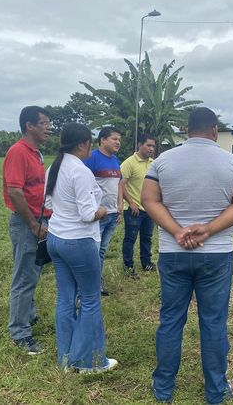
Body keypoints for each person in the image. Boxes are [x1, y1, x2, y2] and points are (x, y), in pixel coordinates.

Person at [142, 107, 233, 404]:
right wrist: (208, 230)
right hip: (216, 254)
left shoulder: (162, 161)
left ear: (186, 129)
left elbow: (149, 200)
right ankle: (216, 391)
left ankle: (163, 388)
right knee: (214, 322)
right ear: (214, 130)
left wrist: (177, 231)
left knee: (170, 320)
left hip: (173, 253)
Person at [45, 123, 118, 373]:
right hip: (78, 241)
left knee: (65, 298)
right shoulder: (80, 171)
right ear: (82, 144)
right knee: (90, 299)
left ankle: (65, 357)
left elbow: (48, 203)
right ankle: (90, 362)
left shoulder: (54, 167)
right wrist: (103, 210)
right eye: (90, 142)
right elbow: (88, 215)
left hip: (56, 238)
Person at [2, 105, 51, 354]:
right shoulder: (18, 152)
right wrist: (33, 223)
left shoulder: (36, 153)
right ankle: (20, 332)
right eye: (43, 123)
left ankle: (28, 314)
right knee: (23, 278)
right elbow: (14, 191)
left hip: (39, 220)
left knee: (32, 272)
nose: (48, 128)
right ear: (29, 125)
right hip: (26, 223)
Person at [83, 126, 123, 296]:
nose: (118, 142)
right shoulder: (92, 158)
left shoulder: (115, 160)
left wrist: (120, 205)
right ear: (103, 140)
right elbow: (83, 185)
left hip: (112, 214)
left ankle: (96, 285)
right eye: (114, 139)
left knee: (101, 251)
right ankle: (87, 288)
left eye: (119, 140)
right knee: (93, 252)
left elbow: (119, 184)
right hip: (98, 215)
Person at [120, 134, 157, 278]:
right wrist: (131, 202)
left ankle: (146, 263)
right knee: (130, 239)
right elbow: (120, 184)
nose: (151, 149)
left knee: (147, 237)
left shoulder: (153, 163)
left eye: (153, 146)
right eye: (148, 145)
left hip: (149, 208)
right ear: (140, 145)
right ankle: (128, 267)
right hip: (133, 209)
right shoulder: (129, 163)